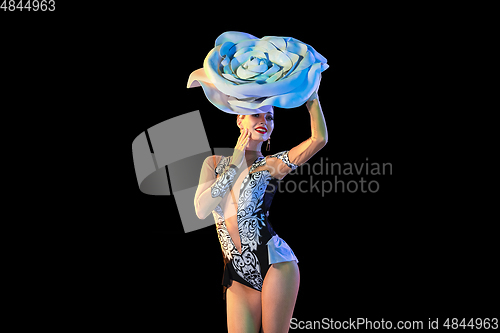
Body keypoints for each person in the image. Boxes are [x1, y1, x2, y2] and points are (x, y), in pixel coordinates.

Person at [194, 81, 327, 333]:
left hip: (275, 263)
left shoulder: (271, 166)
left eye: (269, 116)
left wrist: (312, 97)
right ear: (239, 119)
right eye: (256, 113)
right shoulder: (213, 163)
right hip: (236, 273)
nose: (263, 120)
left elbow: (319, 139)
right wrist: (233, 164)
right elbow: (201, 210)